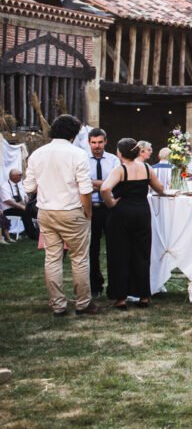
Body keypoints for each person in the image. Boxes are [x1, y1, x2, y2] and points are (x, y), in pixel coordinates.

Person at [23, 114, 99, 316]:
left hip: (46, 211)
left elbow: (29, 187)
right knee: (79, 259)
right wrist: (88, 213)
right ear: (73, 134)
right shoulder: (78, 154)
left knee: (52, 259)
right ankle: (83, 303)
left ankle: (58, 305)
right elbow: (85, 189)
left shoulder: (38, 154)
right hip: (72, 211)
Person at [100, 138, 168, 309]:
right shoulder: (147, 168)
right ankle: (143, 296)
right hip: (142, 212)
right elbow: (159, 188)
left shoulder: (120, 169)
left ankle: (121, 298)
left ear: (119, 153)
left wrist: (110, 203)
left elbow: (105, 188)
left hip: (121, 213)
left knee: (120, 254)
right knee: (141, 253)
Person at [84, 128, 118, 299]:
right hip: (90, 208)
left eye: (100, 142)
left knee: (114, 248)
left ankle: (115, 287)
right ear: (89, 142)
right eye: (93, 142)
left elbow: (117, 182)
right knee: (92, 250)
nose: (97, 146)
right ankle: (95, 286)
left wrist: (93, 183)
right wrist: (105, 184)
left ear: (105, 142)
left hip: (110, 208)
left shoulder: (113, 160)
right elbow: (81, 183)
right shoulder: (83, 160)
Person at [2, 168, 37, 240]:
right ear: (13, 176)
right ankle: (32, 234)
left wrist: (27, 201)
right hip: (8, 209)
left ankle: (38, 230)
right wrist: (22, 206)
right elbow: (8, 201)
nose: (22, 176)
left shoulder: (19, 184)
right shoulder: (4, 186)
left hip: (20, 207)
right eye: (20, 175)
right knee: (26, 212)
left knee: (35, 209)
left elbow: (25, 196)